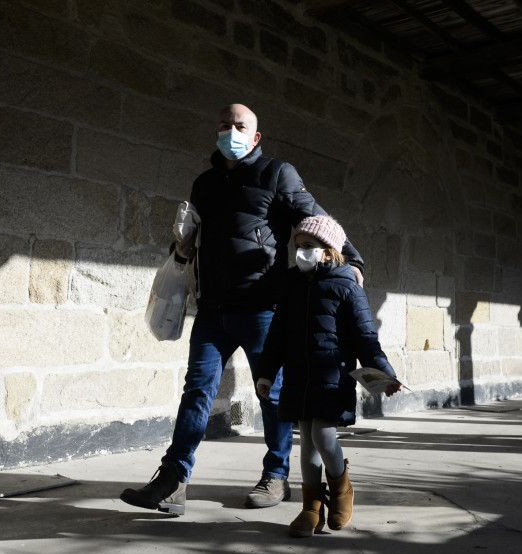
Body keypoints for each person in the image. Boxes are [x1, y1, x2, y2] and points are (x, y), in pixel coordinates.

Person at [120, 103, 366, 514]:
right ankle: (172, 479)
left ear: (255, 138)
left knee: (273, 396)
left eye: (240, 126)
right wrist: (178, 250)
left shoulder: (276, 173)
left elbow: (316, 218)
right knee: (196, 391)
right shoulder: (204, 184)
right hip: (213, 309)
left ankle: (276, 475)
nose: (230, 131)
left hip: (261, 307)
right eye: (223, 125)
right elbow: (195, 235)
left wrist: (352, 260)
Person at [255, 216, 400, 537]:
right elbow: (277, 335)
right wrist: (266, 374)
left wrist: (384, 374)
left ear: (329, 251)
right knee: (306, 443)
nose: (301, 253)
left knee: (323, 435)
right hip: (298, 377)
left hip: (331, 378)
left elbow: (366, 336)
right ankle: (311, 509)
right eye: (298, 247)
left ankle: (342, 489)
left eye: (309, 247)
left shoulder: (347, 285)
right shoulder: (292, 284)